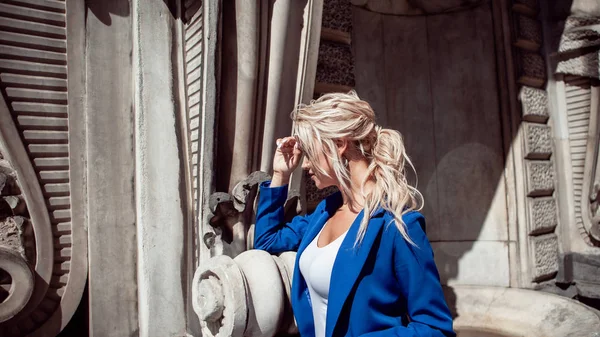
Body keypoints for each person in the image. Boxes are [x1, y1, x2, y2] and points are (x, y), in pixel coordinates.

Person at [254, 91, 455, 337]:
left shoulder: (397, 226)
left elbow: (435, 328)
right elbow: (266, 242)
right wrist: (280, 176)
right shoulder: (324, 213)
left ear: (339, 144)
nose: (304, 165)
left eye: (309, 152)